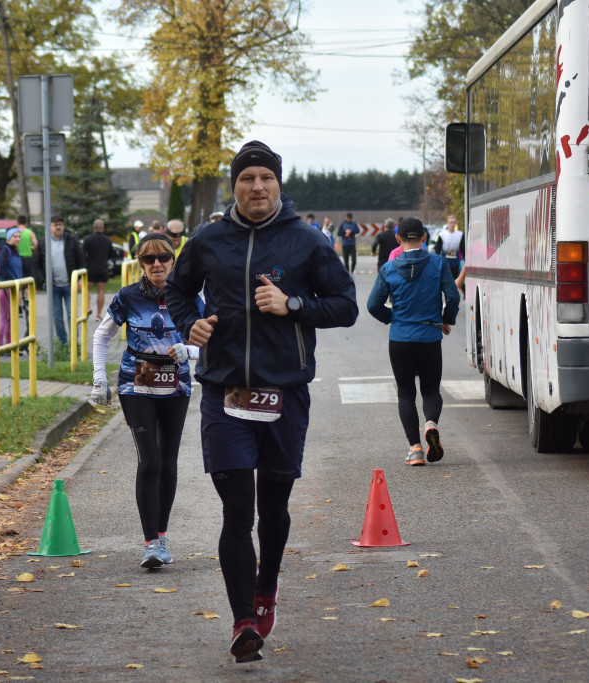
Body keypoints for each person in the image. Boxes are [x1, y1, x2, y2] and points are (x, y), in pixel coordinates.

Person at [165, 141, 358, 663]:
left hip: (284, 394)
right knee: (237, 510)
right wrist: (190, 323)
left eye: (265, 178)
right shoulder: (207, 240)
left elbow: (345, 306)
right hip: (224, 392)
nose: (257, 187)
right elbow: (178, 292)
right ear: (234, 185)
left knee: (273, 509)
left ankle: (266, 585)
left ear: (278, 184)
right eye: (247, 178)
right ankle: (243, 621)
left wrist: (292, 304)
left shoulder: (307, 241)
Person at [90, 233, 201, 569]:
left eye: (163, 257)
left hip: (176, 386)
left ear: (173, 260)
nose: (156, 264)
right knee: (149, 460)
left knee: (167, 462)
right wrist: (99, 378)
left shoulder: (188, 296)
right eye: (148, 259)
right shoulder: (128, 296)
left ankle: (162, 537)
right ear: (139, 263)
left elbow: (211, 339)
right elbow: (102, 335)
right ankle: (150, 542)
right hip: (135, 384)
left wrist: (189, 351)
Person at [366, 217, 460, 466]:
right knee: (431, 390)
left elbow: (373, 305)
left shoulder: (388, 268)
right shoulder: (438, 263)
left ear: (398, 239)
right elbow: (453, 297)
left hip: (400, 338)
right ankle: (431, 424)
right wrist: (446, 319)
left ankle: (415, 449)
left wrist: (392, 318)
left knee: (406, 393)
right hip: (429, 337)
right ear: (424, 237)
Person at [36, 214, 85, 347]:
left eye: (60, 225)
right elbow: (37, 264)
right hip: (53, 286)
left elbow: (80, 259)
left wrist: (80, 278)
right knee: (57, 317)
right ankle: (63, 343)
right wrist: (43, 280)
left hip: (70, 284)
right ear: (50, 227)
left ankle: (74, 343)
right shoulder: (43, 242)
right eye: (55, 225)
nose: (58, 227)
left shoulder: (71, 240)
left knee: (71, 315)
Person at [0, 227, 23, 347]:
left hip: (14, 287)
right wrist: (11, 282)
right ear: (9, 238)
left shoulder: (16, 250)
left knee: (11, 318)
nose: (17, 239)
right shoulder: (5, 250)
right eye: (15, 236)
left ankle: (9, 344)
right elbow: (1, 268)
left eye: (19, 236)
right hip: (6, 287)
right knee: (4, 317)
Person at [82, 219, 114, 321]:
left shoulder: (87, 239)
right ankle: (98, 314)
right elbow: (111, 254)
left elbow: (82, 253)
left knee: (86, 289)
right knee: (101, 291)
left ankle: (88, 306)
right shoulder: (107, 240)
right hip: (102, 268)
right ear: (103, 228)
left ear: (93, 228)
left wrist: (86, 262)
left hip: (90, 268)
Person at [433, 214, 465, 279]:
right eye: (451, 222)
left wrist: (465, 259)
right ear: (447, 223)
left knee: (455, 277)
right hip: (445, 260)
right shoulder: (442, 234)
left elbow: (463, 248)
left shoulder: (460, 234)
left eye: (454, 222)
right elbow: (437, 248)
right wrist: (438, 260)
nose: (452, 224)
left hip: (456, 261)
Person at [16, 215, 38, 302]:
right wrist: (31, 247)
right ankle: (28, 300)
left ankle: (19, 303)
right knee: (28, 281)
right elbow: (36, 244)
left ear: (17, 222)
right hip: (28, 258)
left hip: (18, 258)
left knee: (19, 282)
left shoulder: (16, 233)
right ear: (26, 223)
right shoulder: (29, 232)